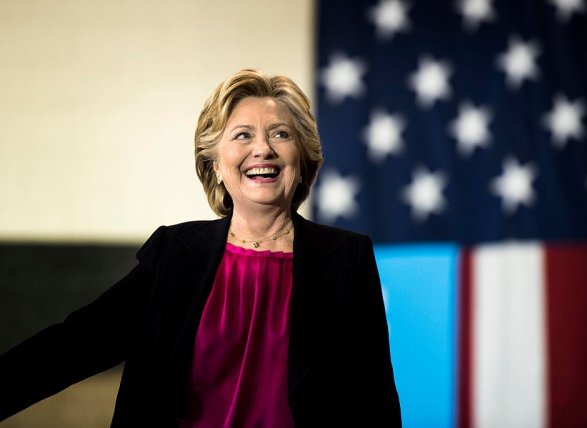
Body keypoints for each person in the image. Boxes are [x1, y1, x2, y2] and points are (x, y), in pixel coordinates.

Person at [0, 69, 401, 427]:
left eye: (281, 133)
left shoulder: (347, 257)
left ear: (304, 158)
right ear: (214, 163)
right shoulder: (175, 252)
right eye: (242, 135)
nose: (263, 149)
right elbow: (77, 343)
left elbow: (373, 399)